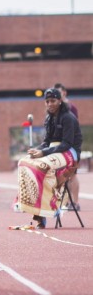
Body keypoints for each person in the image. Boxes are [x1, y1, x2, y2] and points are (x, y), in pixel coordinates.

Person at [16, 87, 82, 229]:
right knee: (24, 162)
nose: (50, 104)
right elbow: (46, 142)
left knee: (42, 166)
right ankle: (35, 210)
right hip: (55, 151)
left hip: (70, 153)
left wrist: (44, 153)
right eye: (47, 101)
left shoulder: (68, 118)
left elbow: (66, 144)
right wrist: (37, 150)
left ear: (59, 101)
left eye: (53, 100)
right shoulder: (49, 118)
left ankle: (50, 207)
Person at [54, 82, 81, 211]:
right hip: (61, 146)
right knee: (63, 175)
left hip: (72, 146)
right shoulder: (54, 109)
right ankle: (66, 201)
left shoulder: (71, 108)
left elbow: (73, 128)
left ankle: (75, 202)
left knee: (73, 174)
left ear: (64, 93)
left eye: (59, 92)